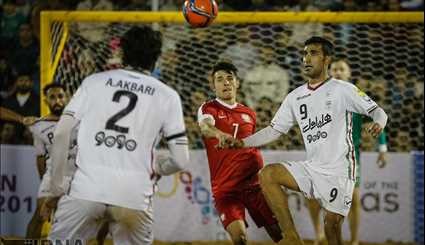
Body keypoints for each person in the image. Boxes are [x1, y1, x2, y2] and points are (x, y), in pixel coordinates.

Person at [223, 36, 388, 245]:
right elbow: (275, 129)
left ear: (327, 59)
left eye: (313, 53)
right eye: (304, 54)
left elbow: (379, 112)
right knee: (268, 174)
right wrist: (242, 142)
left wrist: (379, 124)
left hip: (340, 170)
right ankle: (291, 236)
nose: (306, 58)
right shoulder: (295, 96)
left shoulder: (343, 89)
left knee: (331, 226)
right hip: (313, 168)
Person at [42, 25, 189, 245]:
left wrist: (56, 187)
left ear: (122, 52)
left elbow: (62, 133)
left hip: (86, 190)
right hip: (134, 196)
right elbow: (181, 160)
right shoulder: (167, 96)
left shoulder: (94, 82)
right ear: (156, 58)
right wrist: (159, 168)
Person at [303, 58, 388, 245]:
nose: (338, 72)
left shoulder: (356, 96)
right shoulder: (315, 96)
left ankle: (355, 240)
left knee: (354, 200)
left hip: (349, 157)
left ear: (349, 74)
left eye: (342, 69)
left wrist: (382, 148)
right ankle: (319, 236)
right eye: (334, 69)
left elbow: (377, 117)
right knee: (312, 196)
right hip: (321, 156)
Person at [198, 60, 282, 244]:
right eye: (219, 79)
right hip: (226, 189)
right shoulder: (208, 108)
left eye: (229, 78)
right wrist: (218, 134)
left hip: (254, 185)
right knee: (240, 238)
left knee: (279, 233)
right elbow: (205, 127)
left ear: (237, 83)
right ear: (213, 85)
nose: (225, 82)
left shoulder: (250, 113)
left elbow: (252, 142)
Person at [25, 83, 72, 239]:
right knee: (39, 215)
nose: (57, 100)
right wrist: (45, 180)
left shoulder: (78, 121)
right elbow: (40, 157)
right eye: (52, 97)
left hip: (75, 176)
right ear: (45, 101)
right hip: (52, 176)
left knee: (68, 223)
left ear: (67, 98)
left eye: (60, 96)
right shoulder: (39, 126)